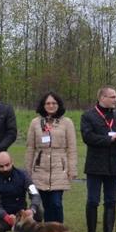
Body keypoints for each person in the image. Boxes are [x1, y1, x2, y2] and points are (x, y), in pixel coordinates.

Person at [80, 86, 116, 232]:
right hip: (95, 165)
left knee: (111, 200)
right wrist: (110, 139)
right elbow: (88, 137)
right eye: (112, 97)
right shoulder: (88, 116)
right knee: (93, 200)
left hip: (114, 165)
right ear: (102, 98)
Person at [24, 91, 77, 223]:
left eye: (54, 103)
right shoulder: (35, 123)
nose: (51, 105)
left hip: (59, 169)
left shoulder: (67, 123)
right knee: (46, 204)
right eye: (48, 103)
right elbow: (30, 148)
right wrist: (27, 170)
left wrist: (72, 169)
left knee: (56, 203)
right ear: (43, 105)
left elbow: (72, 148)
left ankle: (59, 231)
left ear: (59, 105)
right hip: (40, 169)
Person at [0, 151, 43, 232]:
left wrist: (32, 209)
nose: (5, 169)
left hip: (22, 213)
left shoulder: (23, 175)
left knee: (39, 210)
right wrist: (6, 217)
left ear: (12, 162)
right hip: (5, 215)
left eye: (7, 165)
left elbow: (35, 194)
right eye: (1, 166)